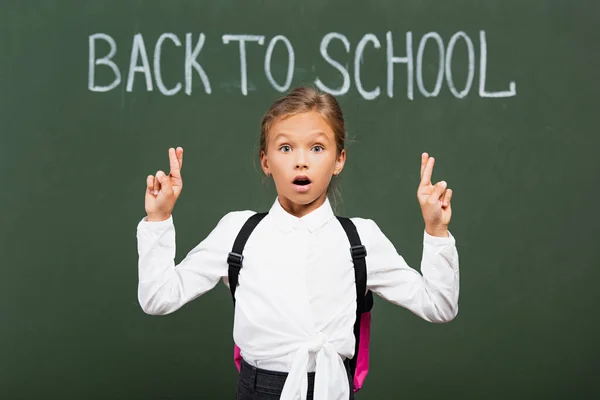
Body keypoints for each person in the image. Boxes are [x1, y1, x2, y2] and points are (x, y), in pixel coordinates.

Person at [136, 86, 459, 400]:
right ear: (266, 161)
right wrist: (159, 218)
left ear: (339, 160)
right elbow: (159, 298)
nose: (300, 161)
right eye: (285, 148)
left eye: (317, 148)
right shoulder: (238, 231)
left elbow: (439, 306)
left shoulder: (361, 238)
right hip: (260, 389)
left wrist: (435, 229)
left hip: (333, 387)